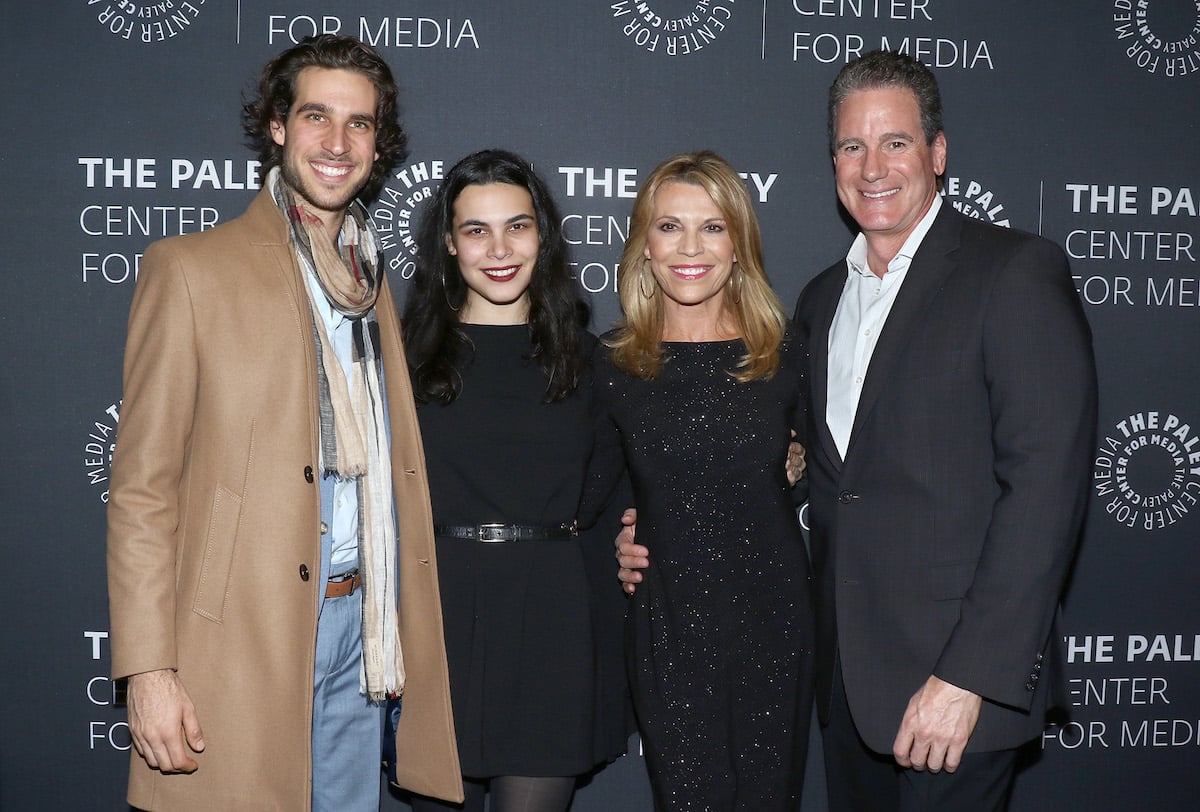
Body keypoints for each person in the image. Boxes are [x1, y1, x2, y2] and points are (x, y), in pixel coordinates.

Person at [619, 51, 1098, 811]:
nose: (872, 167)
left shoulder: (1013, 273)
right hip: (845, 688)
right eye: (851, 146)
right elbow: (790, 465)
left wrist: (971, 676)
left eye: (896, 142)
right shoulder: (816, 305)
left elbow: (1046, 492)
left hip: (956, 686)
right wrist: (647, 525)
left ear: (937, 153)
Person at [106, 35, 463, 811]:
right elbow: (142, 489)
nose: (338, 144)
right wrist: (149, 670)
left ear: (380, 142)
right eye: (316, 117)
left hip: (362, 632)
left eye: (360, 124)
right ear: (276, 125)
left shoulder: (371, 280)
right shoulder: (191, 269)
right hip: (237, 638)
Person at [400, 149, 630, 812]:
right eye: (476, 230)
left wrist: (783, 458)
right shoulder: (403, 358)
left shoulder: (593, 361)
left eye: (518, 226)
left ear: (544, 236)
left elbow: (640, 475)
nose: (499, 249)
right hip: (434, 623)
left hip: (553, 624)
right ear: (448, 244)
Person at [590, 150, 813, 810]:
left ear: (739, 245)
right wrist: (615, 542)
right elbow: (592, 493)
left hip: (774, 619)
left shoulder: (789, 353)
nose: (691, 247)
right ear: (644, 246)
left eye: (713, 227)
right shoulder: (612, 365)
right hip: (669, 627)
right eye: (670, 227)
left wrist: (794, 467)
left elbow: (824, 473)